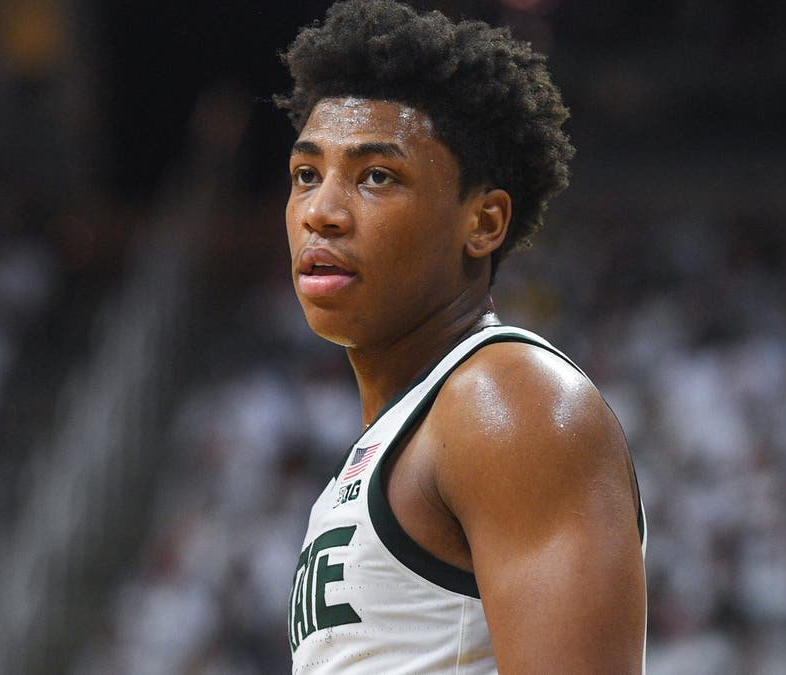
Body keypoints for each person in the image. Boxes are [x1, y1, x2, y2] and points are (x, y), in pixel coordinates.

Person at [277, 1, 646, 672]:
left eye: (375, 176)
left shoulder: (507, 401)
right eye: (307, 174)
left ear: (483, 221)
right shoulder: (400, 434)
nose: (321, 212)